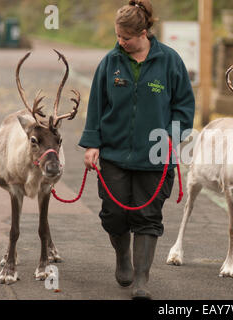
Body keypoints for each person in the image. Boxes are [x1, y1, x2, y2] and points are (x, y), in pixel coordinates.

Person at [79, 0, 195, 300]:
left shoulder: (170, 62)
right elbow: (96, 106)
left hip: (155, 156)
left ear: (143, 33)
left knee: (148, 215)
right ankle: (123, 258)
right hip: (113, 154)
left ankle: (142, 279)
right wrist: (92, 143)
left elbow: (184, 106)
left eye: (125, 38)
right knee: (113, 214)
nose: (120, 42)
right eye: (118, 36)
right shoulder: (110, 62)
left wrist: (173, 136)